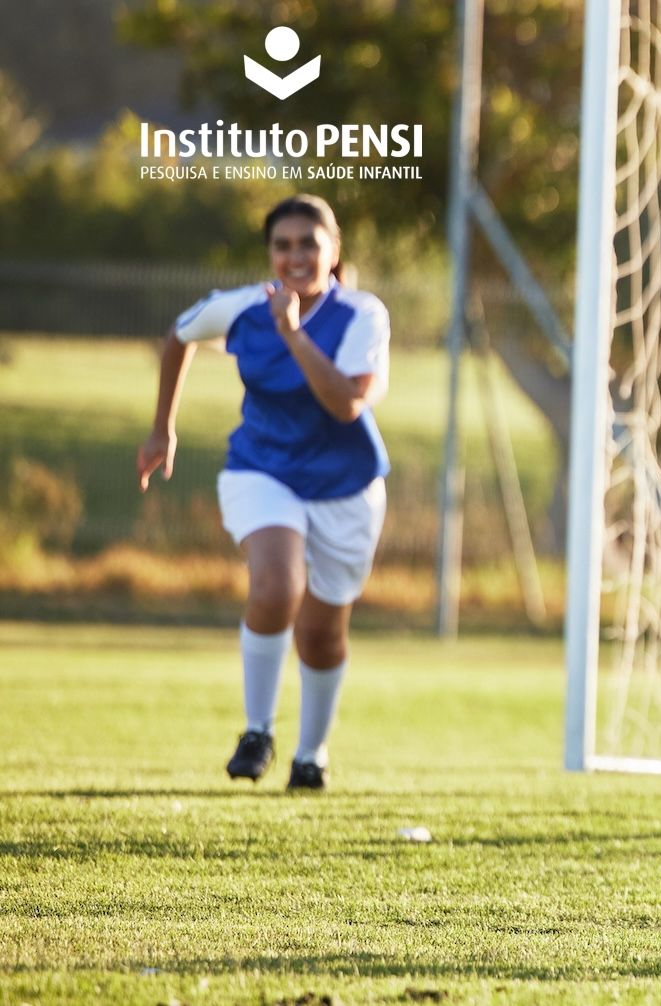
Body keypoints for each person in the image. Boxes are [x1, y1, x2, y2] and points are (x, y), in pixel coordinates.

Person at [139, 194, 391, 792]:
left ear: (334, 252)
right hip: (262, 470)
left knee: (323, 634)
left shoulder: (363, 315)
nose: (296, 255)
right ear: (270, 254)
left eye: (309, 243)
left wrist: (293, 332)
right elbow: (178, 338)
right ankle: (257, 731)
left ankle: (311, 756)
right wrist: (161, 428)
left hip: (344, 486)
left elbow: (345, 403)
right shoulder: (241, 308)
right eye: (283, 245)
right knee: (277, 586)